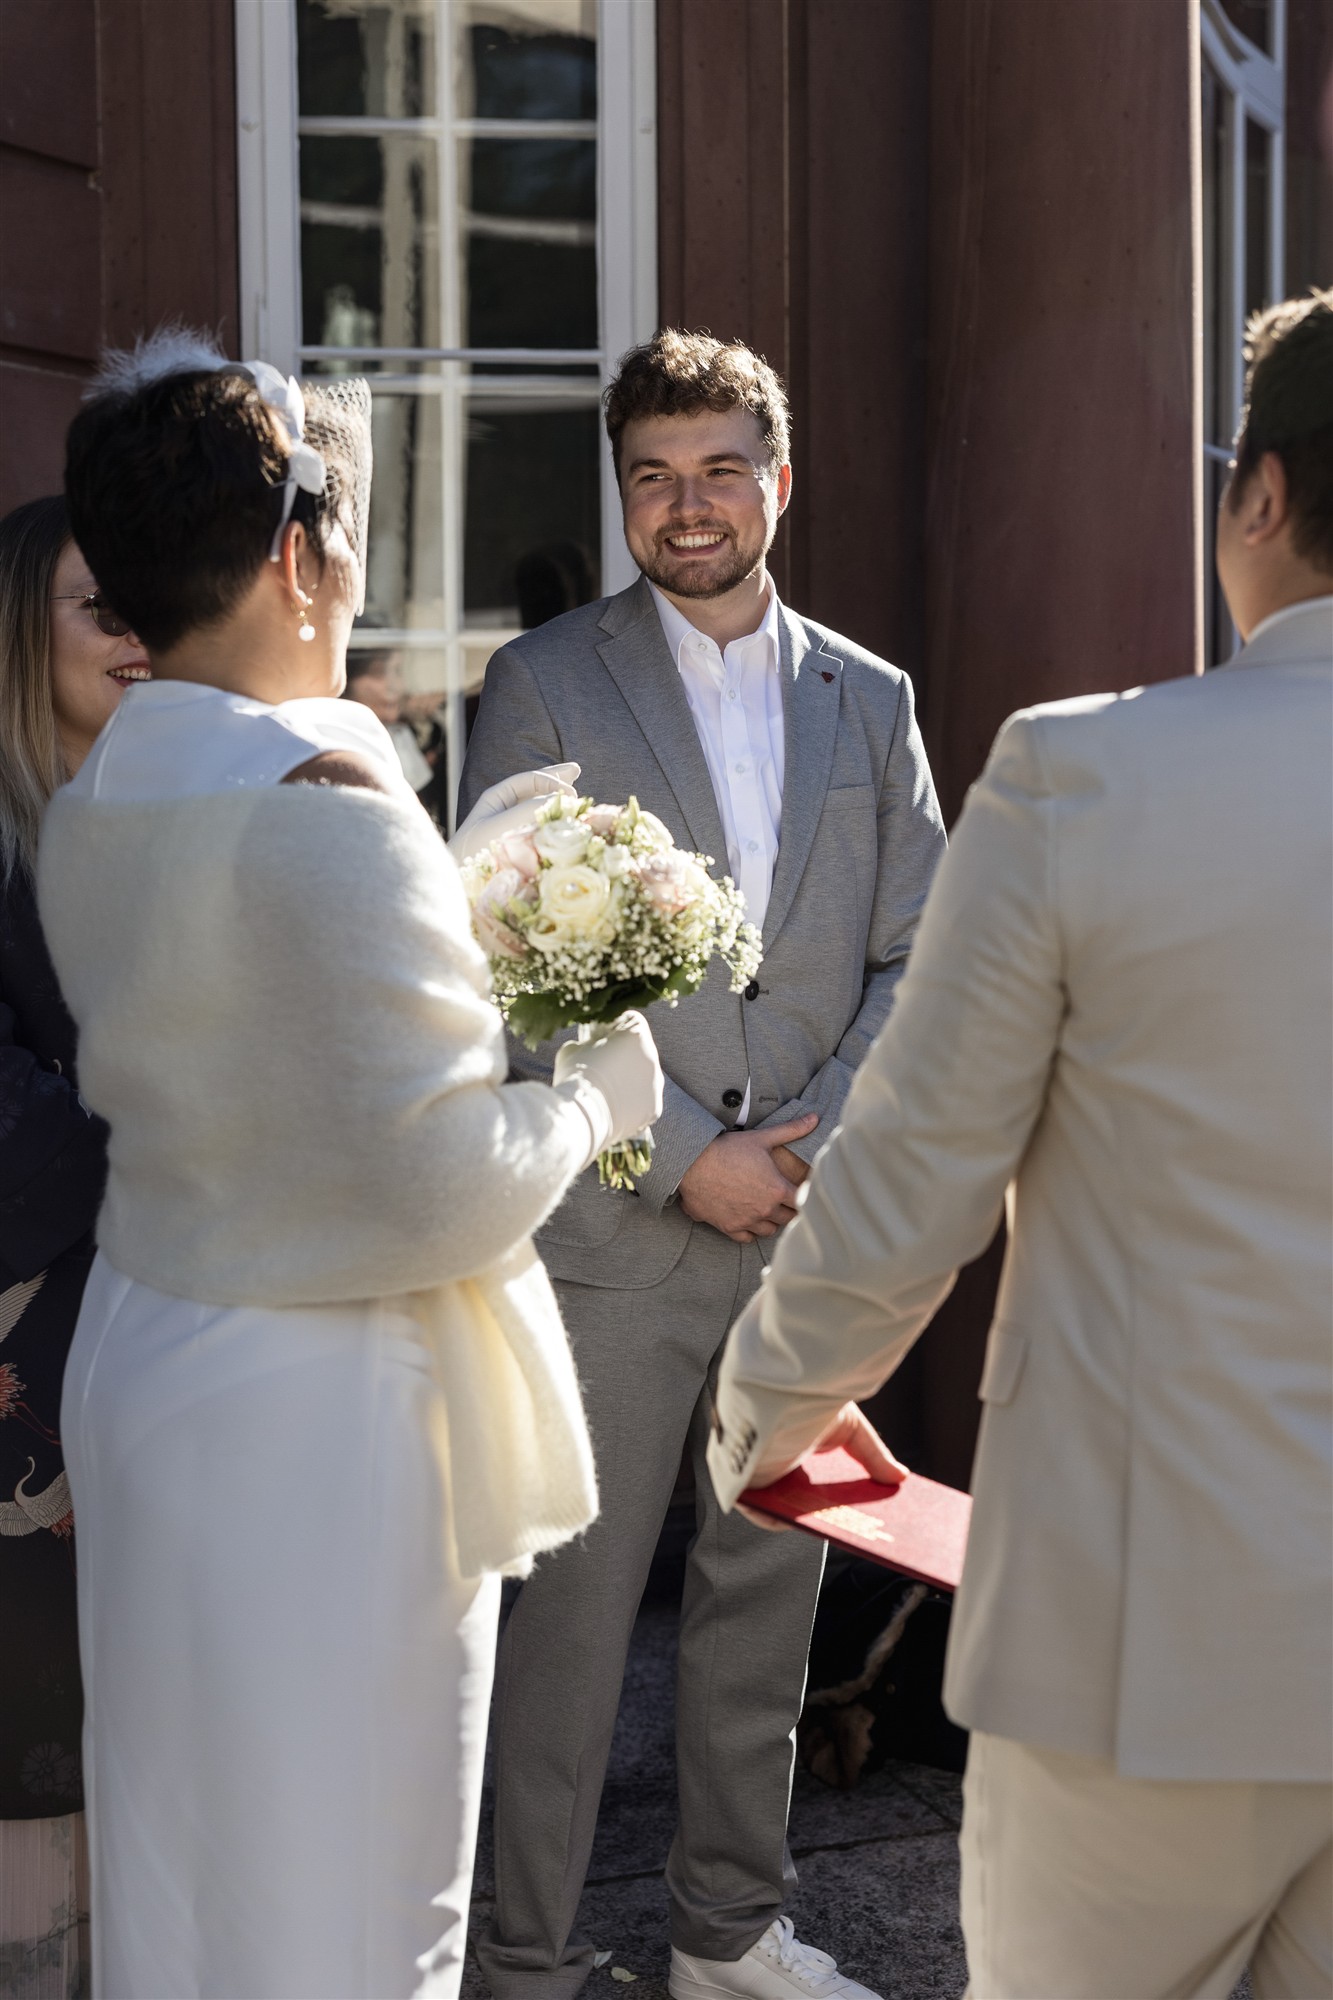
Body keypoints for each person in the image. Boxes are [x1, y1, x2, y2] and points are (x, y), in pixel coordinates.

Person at [708, 291, 1333, 2000]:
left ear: (1262, 493)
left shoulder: (1084, 777)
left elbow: (914, 1180)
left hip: (1149, 1630)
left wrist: (769, 1407)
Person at [36, 330, 663, 2000]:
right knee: (362, 1885)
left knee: (187, 1858)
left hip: (158, 1349)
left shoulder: (103, 792)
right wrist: (593, 1100)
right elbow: (437, 1185)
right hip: (322, 1403)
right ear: (298, 556)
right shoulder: (321, 801)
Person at [460, 329, 947, 2000]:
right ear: (622, 493)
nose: (687, 505)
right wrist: (687, 1159)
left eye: (720, 470)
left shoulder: (870, 698)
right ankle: (521, 1959)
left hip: (803, 1234)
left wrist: (808, 1148)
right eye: (652, 475)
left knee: (765, 1605)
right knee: (571, 1623)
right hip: (617, 1233)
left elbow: (924, 952)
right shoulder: (543, 682)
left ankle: (726, 1936)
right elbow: (503, 964)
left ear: (777, 482)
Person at [0, 495, 150, 2000]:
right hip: (23, 1375)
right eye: (100, 606)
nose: (137, 632)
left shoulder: (154, 822)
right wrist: (180, 1122)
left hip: (146, 1348)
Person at [344, 648, 435, 795]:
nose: (395, 686)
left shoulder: (402, 735)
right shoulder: (339, 742)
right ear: (348, 680)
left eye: (398, 671)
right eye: (378, 673)